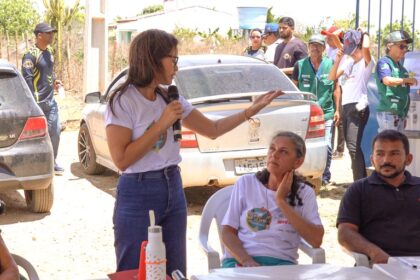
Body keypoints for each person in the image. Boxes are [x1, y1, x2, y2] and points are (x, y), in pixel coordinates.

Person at [104, 29, 283, 275]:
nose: (176, 66)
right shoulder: (123, 101)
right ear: (153, 59)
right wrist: (162, 124)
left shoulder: (168, 98)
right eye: (173, 59)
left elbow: (213, 129)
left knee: (175, 269)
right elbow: (122, 160)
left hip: (172, 185)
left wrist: (250, 111)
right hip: (138, 190)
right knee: (136, 270)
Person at [221, 131, 324, 267]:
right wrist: (247, 261)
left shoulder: (304, 193)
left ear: (298, 162)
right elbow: (227, 232)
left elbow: (316, 240)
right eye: (272, 148)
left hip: (281, 265)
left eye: (284, 152)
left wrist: (281, 201)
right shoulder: (246, 183)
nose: (274, 155)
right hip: (241, 261)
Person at [337, 129, 420, 264]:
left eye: (394, 153)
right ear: (372, 159)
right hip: (376, 265)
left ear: (408, 159)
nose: (386, 160)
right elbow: (345, 234)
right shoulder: (359, 190)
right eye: (380, 154)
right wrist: (374, 253)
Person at [292, 34, 339, 186]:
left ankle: (324, 176)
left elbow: (336, 89)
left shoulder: (330, 63)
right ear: (308, 47)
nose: (315, 48)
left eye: (318, 45)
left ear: (324, 48)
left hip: (326, 113)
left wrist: (338, 110)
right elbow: (294, 88)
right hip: (305, 114)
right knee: (303, 146)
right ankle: (305, 174)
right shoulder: (300, 65)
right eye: (312, 45)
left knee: (327, 145)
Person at [328, 30, 374, 181]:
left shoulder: (367, 61)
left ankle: (359, 183)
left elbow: (366, 48)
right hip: (346, 107)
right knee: (351, 148)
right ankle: (360, 182)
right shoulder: (348, 62)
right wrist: (338, 58)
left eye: (354, 51)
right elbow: (332, 76)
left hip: (358, 106)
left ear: (360, 46)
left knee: (353, 147)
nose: (352, 54)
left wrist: (365, 34)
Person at [22, 22, 64, 175]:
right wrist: (31, 103)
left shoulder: (49, 52)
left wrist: (55, 81)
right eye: (48, 33)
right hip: (37, 103)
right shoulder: (30, 55)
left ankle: (52, 163)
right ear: (39, 35)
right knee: (36, 137)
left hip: (51, 102)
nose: (51, 35)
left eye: (52, 32)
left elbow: (49, 73)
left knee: (56, 132)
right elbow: (27, 80)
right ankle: (34, 166)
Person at [376, 30, 418, 132]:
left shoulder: (402, 69)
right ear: (389, 46)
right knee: (388, 146)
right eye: (401, 46)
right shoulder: (384, 62)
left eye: (406, 47)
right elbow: (387, 80)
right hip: (389, 114)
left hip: (400, 115)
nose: (404, 50)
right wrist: (406, 80)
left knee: (397, 147)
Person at [321, 26, 345, 159]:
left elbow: (335, 37)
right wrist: (328, 34)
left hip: (339, 85)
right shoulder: (329, 49)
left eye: (329, 37)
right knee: (333, 118)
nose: (327, 39)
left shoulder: (341, 48)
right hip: (330, 84)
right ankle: (332, 146)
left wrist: (335, 32)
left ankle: (340, 149)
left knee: (339, 118)